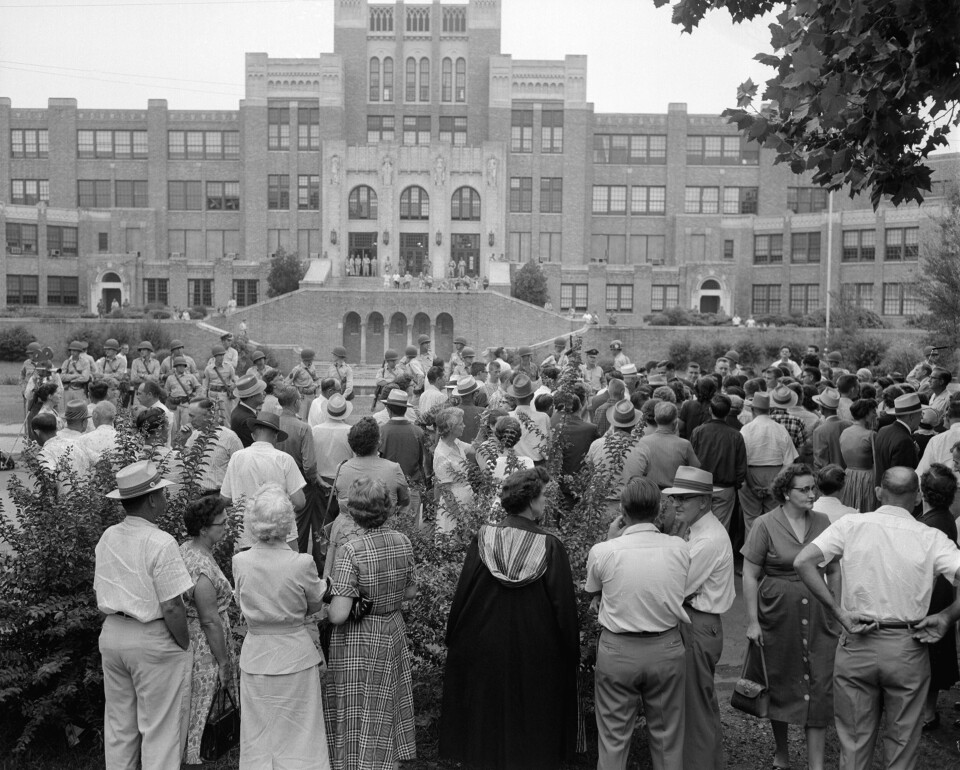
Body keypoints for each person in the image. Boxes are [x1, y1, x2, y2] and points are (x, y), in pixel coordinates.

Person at [795, 467, 960, 770]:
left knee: (854, 746)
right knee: (902, 744)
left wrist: (838, 611)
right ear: (917, 496)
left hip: (857, 639)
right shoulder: (931, 537)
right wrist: (947, 616)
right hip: (906, 647)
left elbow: (803, 561)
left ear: (878, 492)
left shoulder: (851, 525)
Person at [439, 468, 579, 770]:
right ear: (530, 501)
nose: (545, 500)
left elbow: (463, 594)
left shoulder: (484, 539)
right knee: (530, 722)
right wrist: (571, 652)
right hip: (536, 653)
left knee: (487, 721)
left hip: (485, 647)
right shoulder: (550, 547)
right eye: (542, 495)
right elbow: (564, 609)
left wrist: (454, 640)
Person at [586, 477, 690, 770]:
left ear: (622, 509)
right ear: (658, 509)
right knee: (668, 738)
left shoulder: (604, 551)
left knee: (613, 739)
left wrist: (610, 539)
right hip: (666, 647)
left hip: (618, 649)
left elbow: (594, 589)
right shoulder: (679, 548)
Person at [94, 460, 192, 770]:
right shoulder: (161, 542)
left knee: (119, 725)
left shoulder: (109, 535)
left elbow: (102, 588)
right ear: (151, 499)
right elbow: (173, 605)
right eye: (162, 492)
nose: (166, 497)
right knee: (161, 728)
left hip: (112, 633)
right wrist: (185, 643)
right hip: (151, 636)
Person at [742, 464, 840, 770]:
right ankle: (781, 752)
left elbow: (834, 568)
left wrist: (835, 607)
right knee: (781, 682)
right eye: (804, 489)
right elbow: (749, 572)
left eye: (814, 488)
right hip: (777, 613)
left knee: (820, 684)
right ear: (786, 492)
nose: (812, 494)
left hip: (818, 611)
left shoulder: (823, 521)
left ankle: (816, 764)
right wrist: (753, 620)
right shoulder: (764, 524)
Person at [232, 484, 331, 769]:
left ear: (252, 522)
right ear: (287, 521)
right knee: (302, 733)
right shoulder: (301, 563)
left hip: (257, 655)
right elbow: (314, 605)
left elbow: (241, 601)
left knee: (259, 733)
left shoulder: (241, 561)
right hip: (295, 654)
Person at [328, 477, 417, 770]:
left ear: (354, 511)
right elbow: (410, 591)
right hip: (393, 627)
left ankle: (359, 762)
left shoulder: (350, 550)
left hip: (361, 635)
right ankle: (387, 760)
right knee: (387, 698)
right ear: (388, 508)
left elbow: (338, 615)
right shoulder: (403, 541)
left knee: (360, 703)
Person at [663, 466, 735, 770]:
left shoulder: (707, 540)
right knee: (699, 704)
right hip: (698, 623)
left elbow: (676, 587)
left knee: (695, 709)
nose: (677, 503)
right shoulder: (698, 530)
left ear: (704, 501)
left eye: (685, 498)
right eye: (675, 497)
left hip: (698, 625)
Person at [179, 495, 238, 766]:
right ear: (204, 529)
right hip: (206, 642)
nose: (226, 527)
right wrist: (223, 661)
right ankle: (200, 749)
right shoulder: (202, 567)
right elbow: (209, 619)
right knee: (207, 694)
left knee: (199, 697)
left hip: (195, 635)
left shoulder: (187, 549)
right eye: (222, 523)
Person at [221, 411, 305, 550]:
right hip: (282, 536)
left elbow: (224, 498)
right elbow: (300, 502)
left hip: (246, 535)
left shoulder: (237, 457)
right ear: (276, 436)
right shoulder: (284, 459)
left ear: (253, 435)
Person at [917, 464, 959, 730]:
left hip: (932, 594)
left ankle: (927, 713)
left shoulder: (929, 525)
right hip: (943, 592)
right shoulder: (946, 519)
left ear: (923, 493)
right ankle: (928, 712)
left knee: (927, 652)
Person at [740, 393, 799, 538]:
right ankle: (772, 553)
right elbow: (789, 462)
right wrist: (775, 483)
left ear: (753, 410)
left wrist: (752, 484)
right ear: (770, 410)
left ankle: (753, 553)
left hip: (749, 475)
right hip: (776, 474)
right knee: (774, 519)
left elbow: (741, 460)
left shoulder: (745, 430)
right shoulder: (780, 429)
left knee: (751, 519)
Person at [690, 393, 747, 531]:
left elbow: (691, 460)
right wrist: (736, 485)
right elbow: (741, 465)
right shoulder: (735, 435)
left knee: (698, 527)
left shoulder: (698, 432)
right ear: (728, 412)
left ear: (710, 410)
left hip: (701, 486)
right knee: (720, 528)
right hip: (725, 488)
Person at [433, 406, 475, 532]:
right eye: (461, 423)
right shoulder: (441, 454)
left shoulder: (456, 442)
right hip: (454, 509)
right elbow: (446, 492)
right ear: (451, 427)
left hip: (467, 502)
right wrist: (461, 521)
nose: (464, 426)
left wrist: (484, 429)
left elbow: (474, 448)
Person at [873, 393, 922, 486]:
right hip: (895, 495)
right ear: (911, 416)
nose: (922, 417)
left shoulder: (883, 430)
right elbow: (902, 479)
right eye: (920, 414)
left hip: (883, 489)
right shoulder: (904, 440)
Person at [838, 398, 878, 512]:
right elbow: (877, 461)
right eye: (873, 411)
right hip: (867, 479)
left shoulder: (845, 432)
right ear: (865, 414)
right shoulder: (871, 435)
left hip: (848, 476)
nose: (875, 414)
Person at [811, 388, 852, 471]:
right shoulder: (849, 424)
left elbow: (820, 461)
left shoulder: (819, 431)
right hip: (849, 473)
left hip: (830, 477)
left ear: (821, 408)